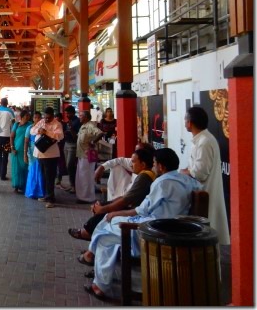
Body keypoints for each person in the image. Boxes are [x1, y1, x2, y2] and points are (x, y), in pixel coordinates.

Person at [82, 148, 202, 299]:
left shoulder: (162, 182)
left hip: (153, 231)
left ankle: (99, 283)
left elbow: (141, 210)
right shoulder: (188, 180)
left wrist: (115, 213)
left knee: (105, 235)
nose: (153, 166)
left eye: (154, 163)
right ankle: (99, 271)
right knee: (107, 227)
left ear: (161, 167)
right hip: (172, 228)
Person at [68, 147, 156, 241]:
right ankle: (90, 233)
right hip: (133, 206)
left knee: (107, 211)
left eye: (134, 162)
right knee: (104, 205)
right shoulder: (144, 174)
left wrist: (103, 209)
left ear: (143, 164)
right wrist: (106, 204)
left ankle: (88, 233)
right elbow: (127, 196)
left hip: (135, 211)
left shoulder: (144, 177)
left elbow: (126, 200)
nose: (131, 165)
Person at [180, 106, 230, 245]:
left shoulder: (205, 142)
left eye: (185, 120)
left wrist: (185, 172)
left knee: (207, 231)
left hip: (205, 191)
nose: (184, 123)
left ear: (190, 122)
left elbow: (200, 172)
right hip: (201, 191)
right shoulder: (201, 139)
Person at [31, 106, 65, 208]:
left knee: (50, 177)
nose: (46, 119)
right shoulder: (41, 122)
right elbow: (32, 130)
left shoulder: (57, 124)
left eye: (48, 118)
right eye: (45, 117)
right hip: (40, 154)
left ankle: (51, 199)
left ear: (53, 116)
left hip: (51, 155)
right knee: (43, 176)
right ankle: (46, 195)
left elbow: (60, 136)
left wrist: (47, 132)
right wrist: (39, 130)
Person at [75, 110, 104, 203]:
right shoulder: (83, 126)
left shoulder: (90, 126)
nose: (79, 117)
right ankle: (82, 196)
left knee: (86, 176)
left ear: (86, 117)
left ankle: (87, 197)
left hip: (87, 156)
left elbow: (100, 133)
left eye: (81, 116)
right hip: (81, 154)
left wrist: (93, 142)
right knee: (81, 177)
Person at [0, 97, 15, 181]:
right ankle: (3, 175)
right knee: (5, 155)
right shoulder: (10, 111)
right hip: (6, 136)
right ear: (7, 103)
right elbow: (13, 124)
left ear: (0, 103)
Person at [9, 110, 31, 193]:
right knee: (16, 169)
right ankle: (16, 186)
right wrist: (12, 148)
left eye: (29, 116)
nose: (28, 117)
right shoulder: (16, 124)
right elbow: (11, 137)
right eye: (26, 116)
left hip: (26, 150)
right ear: (22, 117)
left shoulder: (30, 125)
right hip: (17, 150)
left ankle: (24, 186)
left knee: (25, 168)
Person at [25, 111, 45, 200]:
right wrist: (25, 154)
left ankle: (41, 192)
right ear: (33, 118)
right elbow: (26, 141)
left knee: (40, 171)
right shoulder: (30, 128)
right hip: (31, 151)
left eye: (38, 117)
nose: (37, 119)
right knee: (33, 170)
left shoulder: (43, 128)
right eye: (35, 117)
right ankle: (32, 191)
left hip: (41, 151)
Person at [63, 105, 81, 193]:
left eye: (68, 113)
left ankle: (74, 185)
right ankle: (72, 184)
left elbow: (77, 136)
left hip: (73, 145)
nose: (66, 115)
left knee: (70, 165)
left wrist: (70, 128)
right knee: (68, 165)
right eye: (66, 113)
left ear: (73, 113)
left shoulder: (77, 121)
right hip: (66, 144)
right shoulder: (69, 121)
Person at [54, 111, 68, 188]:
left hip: (62, 147)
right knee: (56, 164)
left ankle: (58, 180)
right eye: (56, 117)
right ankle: (56, 180)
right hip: (55, 147)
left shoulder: (64, 125)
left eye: (58, 118)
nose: (57, 119)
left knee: (60, 164)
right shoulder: (53, 125)